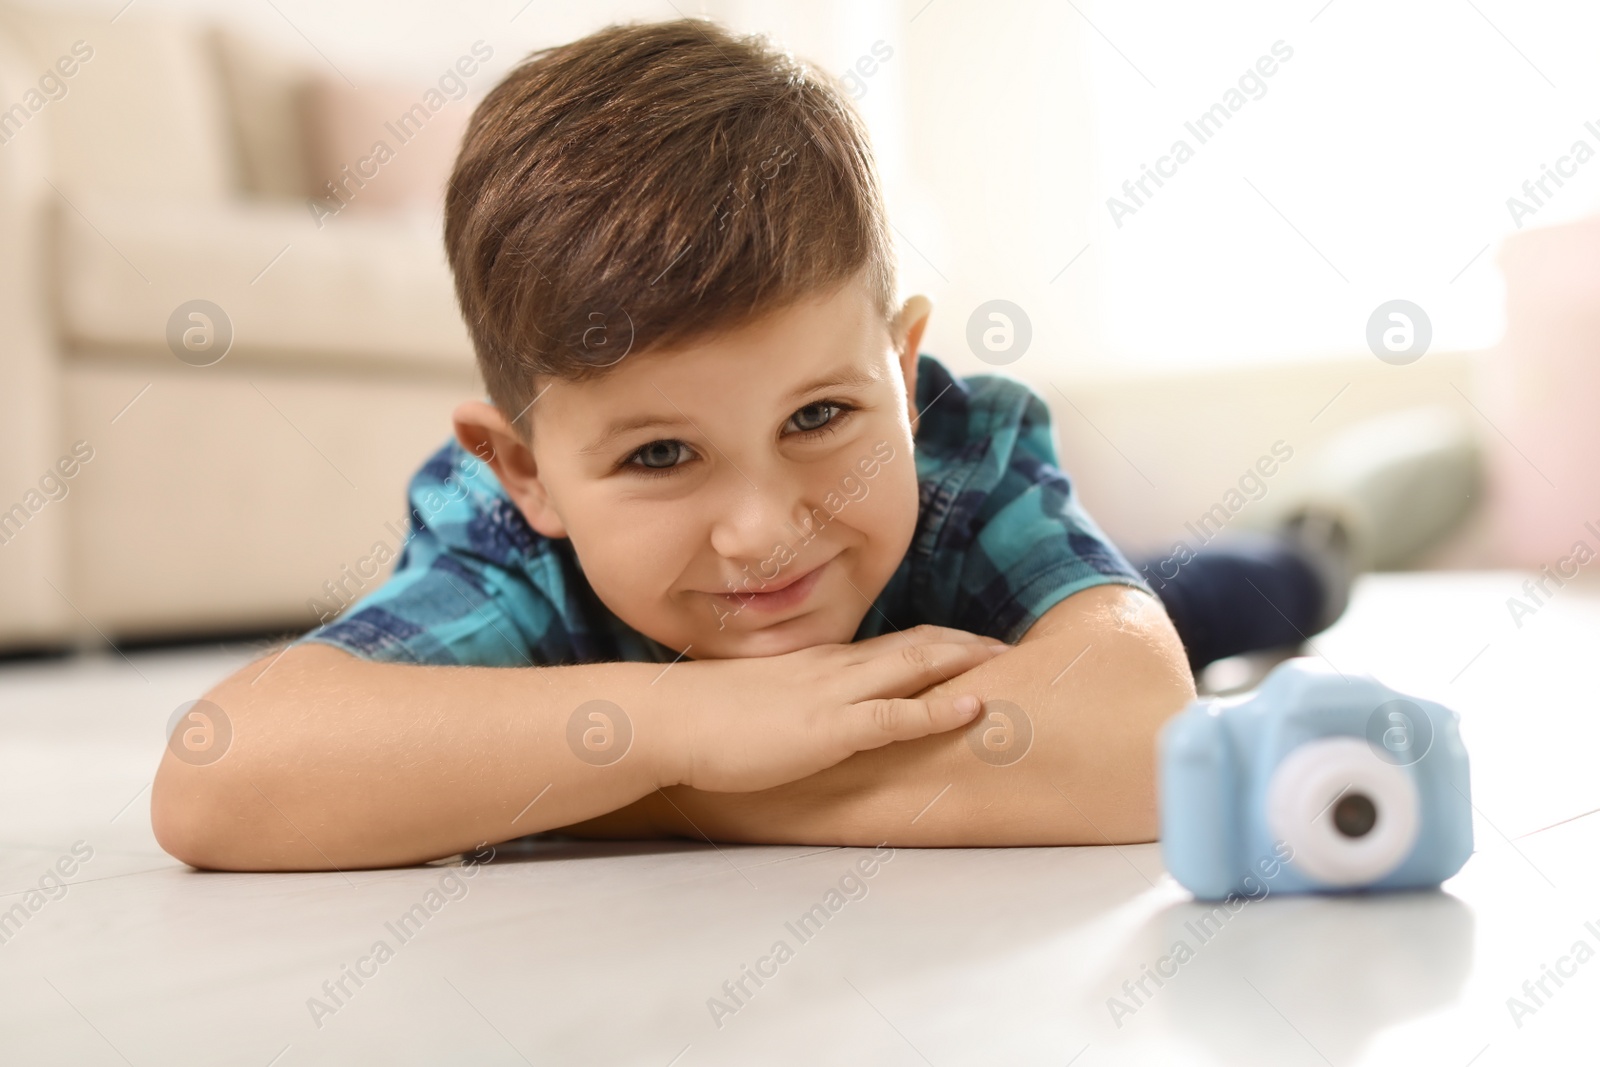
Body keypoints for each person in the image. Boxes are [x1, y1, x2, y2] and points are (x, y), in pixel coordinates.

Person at [148, 19, 1450, 872]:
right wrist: (684, 723)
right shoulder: (502, 539)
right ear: (526, 472)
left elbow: (1133, 740)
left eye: (822, 418)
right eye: (660, 457)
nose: (765, 527)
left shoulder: (953, 455)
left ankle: (1305, 550)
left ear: (901, 369)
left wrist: (644, 787)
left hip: (987, 604)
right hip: (956, 676)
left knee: (1221, 599)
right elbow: (215, 781)